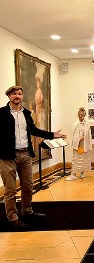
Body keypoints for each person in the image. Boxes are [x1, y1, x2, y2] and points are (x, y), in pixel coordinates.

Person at [0, 86, 66, 230]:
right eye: (14, 94)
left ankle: (27, 211)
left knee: (28, 186)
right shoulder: (1, 113)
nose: (17, 96)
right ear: (9, 96)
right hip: (7, 156)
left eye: (19, 94)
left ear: (22, 96)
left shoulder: (26, 113)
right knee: (10, 189)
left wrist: (53, 134)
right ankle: (13, 217)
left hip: (25, 154)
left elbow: (34, 131)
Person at [66, 107, 93, 181]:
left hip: (84, 144)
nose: (81, 116)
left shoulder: (87, 124)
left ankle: (82, 173)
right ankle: (73, 174)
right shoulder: (75, 124)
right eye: (79, 114)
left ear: (84, 115)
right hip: (77, 143)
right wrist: (76, 140)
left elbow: (89, 134)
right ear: (78, 115)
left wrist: (85, 139)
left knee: (83, 158)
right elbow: (73, 134)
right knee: (76, 159)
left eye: (82, 115)